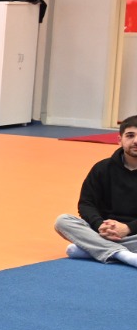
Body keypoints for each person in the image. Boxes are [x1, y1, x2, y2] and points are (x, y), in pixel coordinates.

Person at [53, 115, 137, 269]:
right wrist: (100, 226)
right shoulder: (102, 168)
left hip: (134, 233)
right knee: (63, 221)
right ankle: (123, 254)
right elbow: (86, 204)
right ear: (120, 140)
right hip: (102, 231)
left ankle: (92, 249)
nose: (136, 141)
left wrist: (128, 228)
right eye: (130, 136)